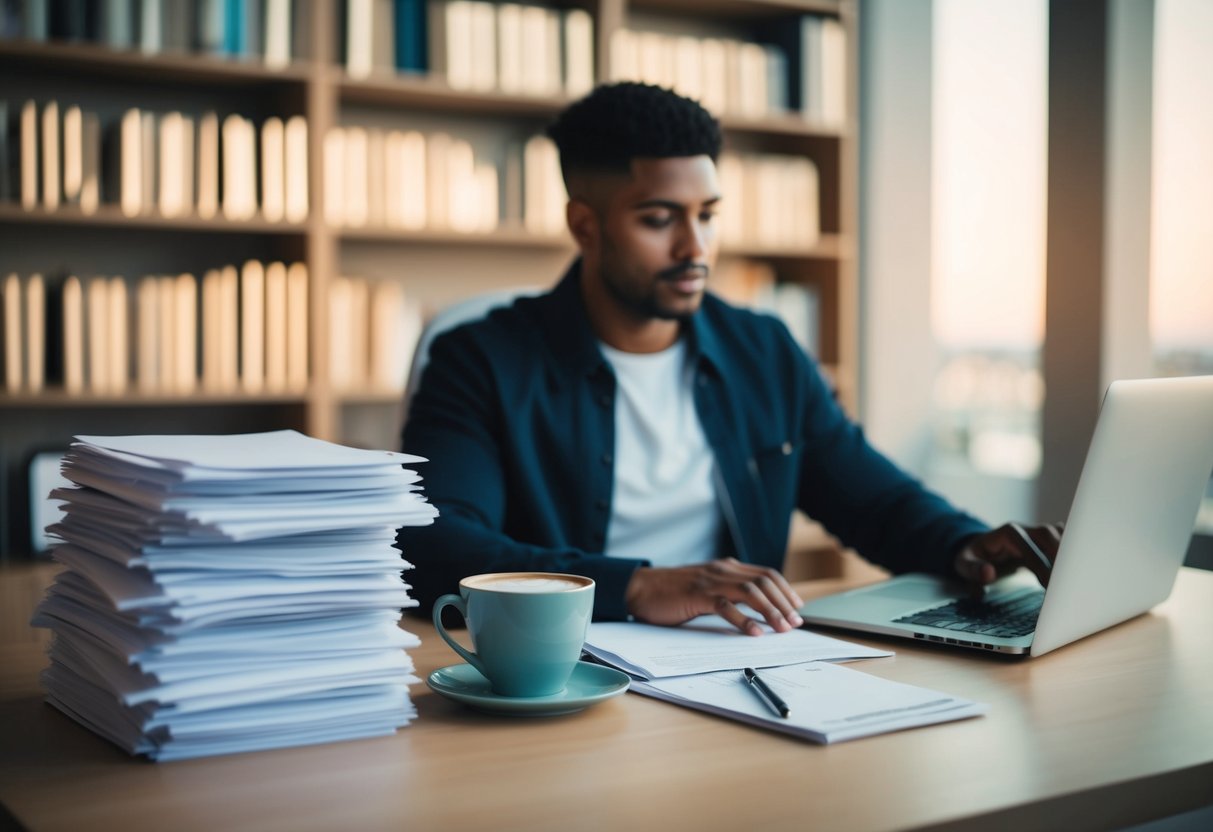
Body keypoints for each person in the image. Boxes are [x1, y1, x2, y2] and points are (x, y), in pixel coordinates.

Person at [398, 82, 1061, 636]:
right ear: (585, 226)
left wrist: (968, 545)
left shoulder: (763, 349)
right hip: (565, 668)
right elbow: (435, 543)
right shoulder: (477, 359)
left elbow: (873, 499)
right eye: (659, 219)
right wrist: (634, 585)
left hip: (734, 661)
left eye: (707, 215)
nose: (695, 247)